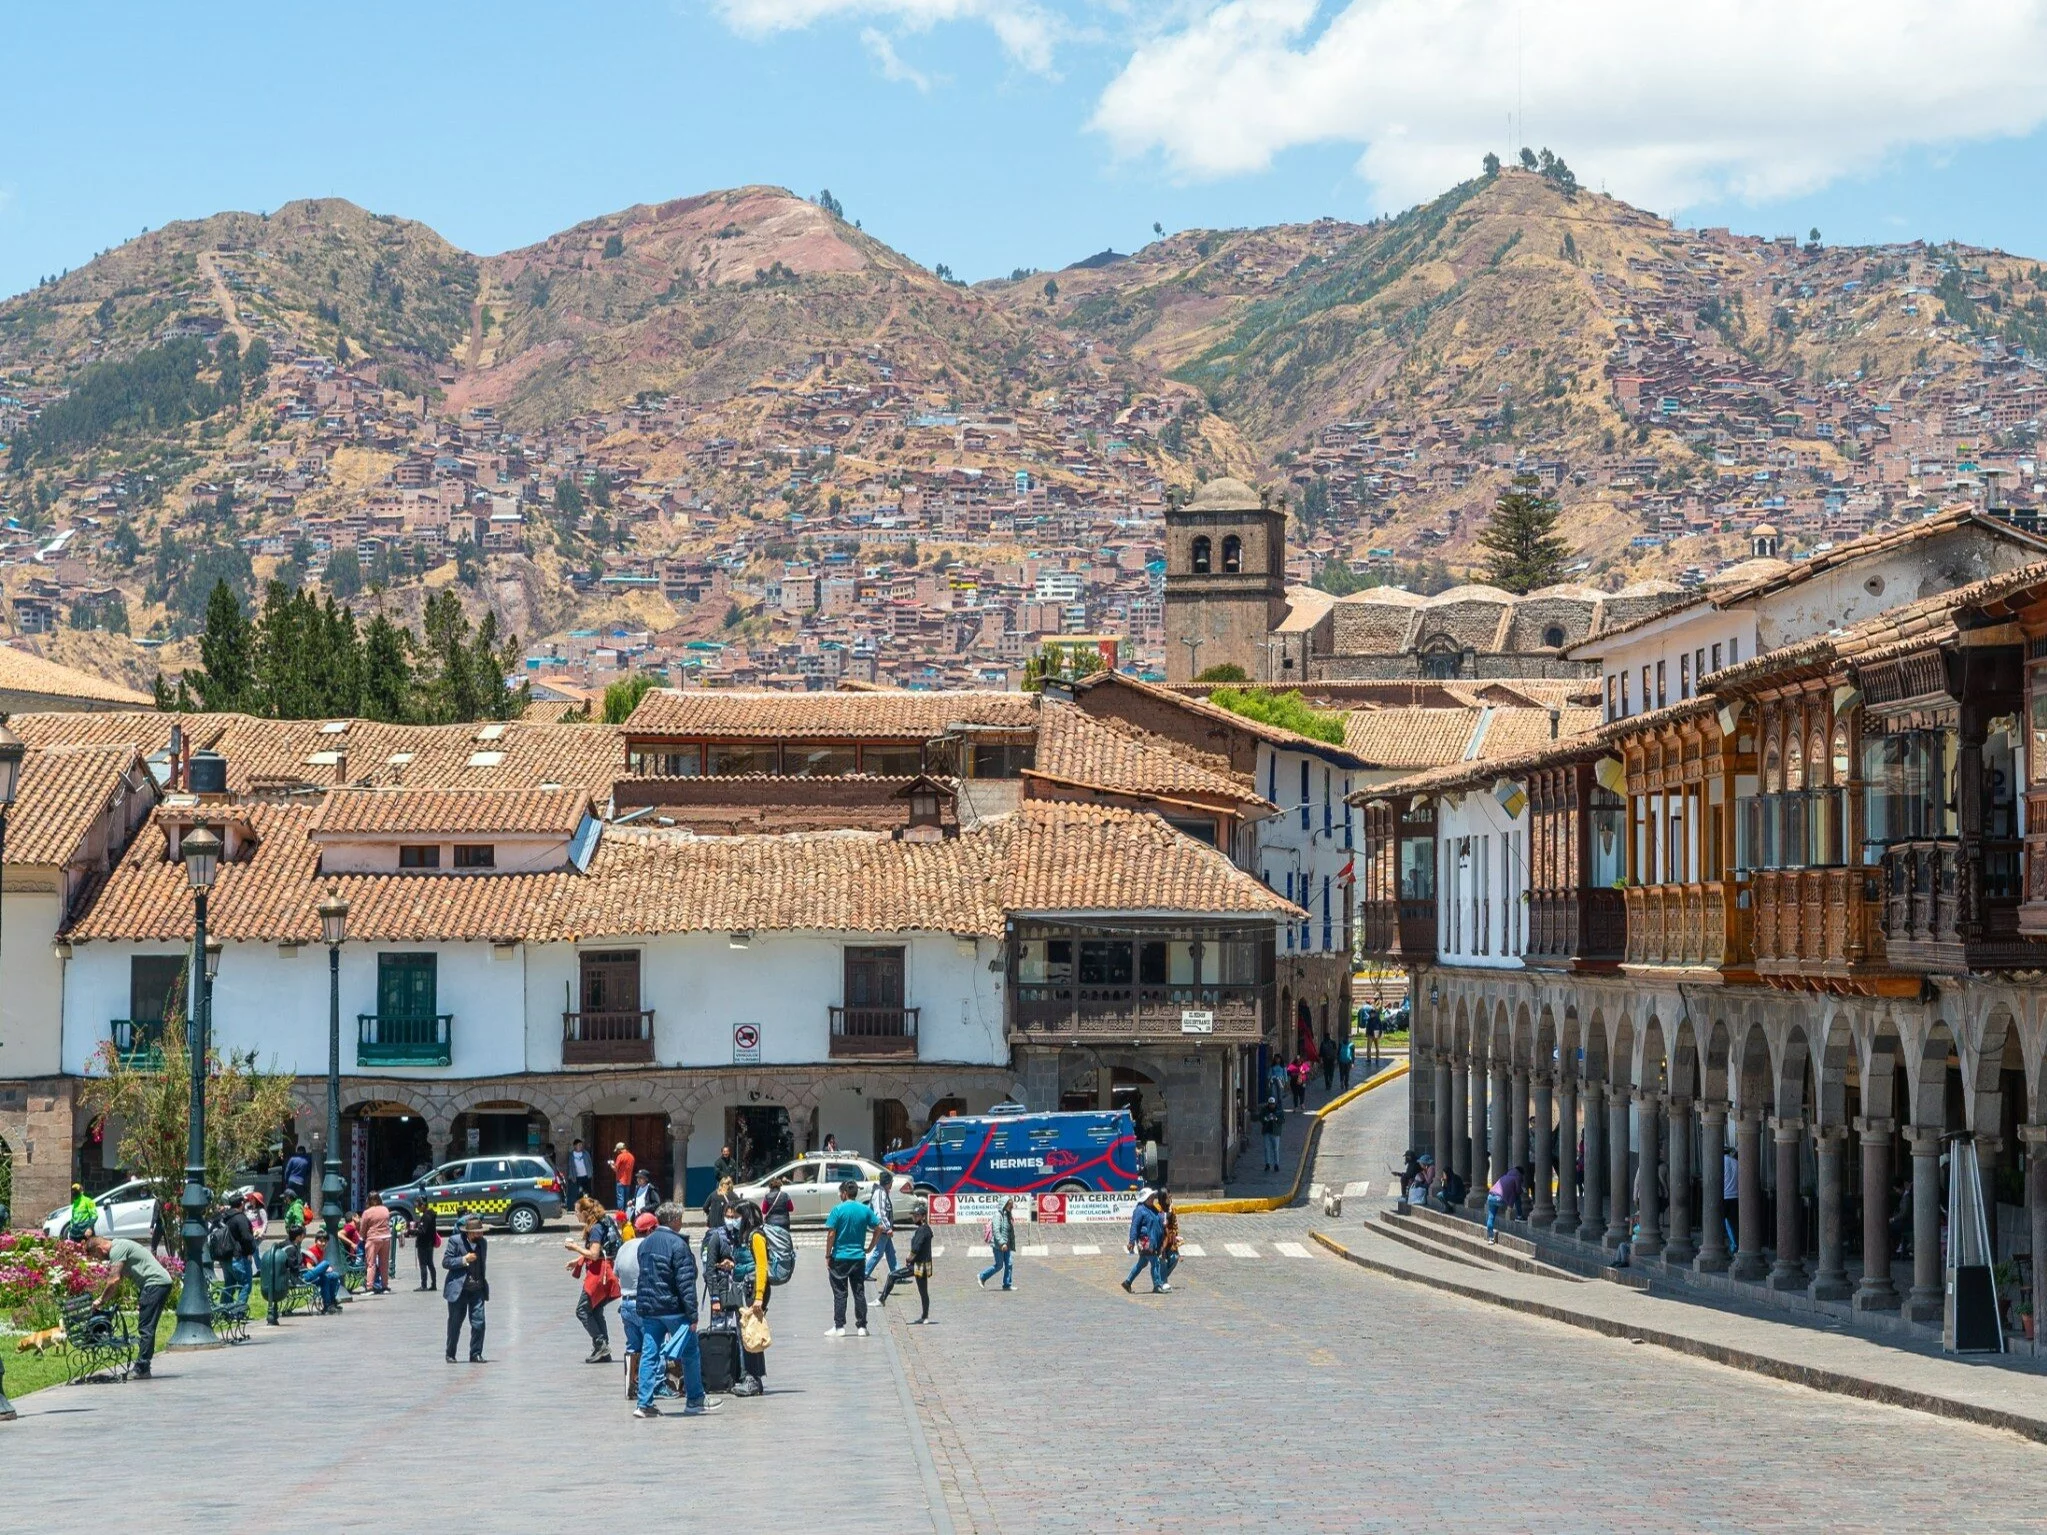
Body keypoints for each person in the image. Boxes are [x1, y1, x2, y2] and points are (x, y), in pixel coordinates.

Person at [633, 1203, 720, 1419]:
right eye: (680, 1218)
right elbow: (685, 1283)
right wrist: (692, 1315)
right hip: (673, 1308)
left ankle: (644, 1403)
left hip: (650, 1309)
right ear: (674, 1220)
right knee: (690, 1352)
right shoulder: (678, 1245)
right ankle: (695, 1399)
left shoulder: (645, 1243)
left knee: (649, 1355)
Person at [86, 1233, 174, 1379]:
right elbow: (116, 1282)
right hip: (156, 1284)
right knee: (146, 1327)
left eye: (97, 1256)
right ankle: (143, 1366)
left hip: (155, 1284)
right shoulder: (119, 1245)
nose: (99, 1260)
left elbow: (114, 1279)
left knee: (146, 1328)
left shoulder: (116, 1250)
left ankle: (142, 1368)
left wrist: (100, 1300)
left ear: (100, 1249)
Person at [565, 1195, 619, 1364]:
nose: (575, 1215)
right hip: (607, 1272)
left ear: (586, 1212)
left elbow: (595, 1254)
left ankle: (601, 1344)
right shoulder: (603, 1222)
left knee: (582, 1310)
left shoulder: (595, 1228)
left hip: (599, 1276)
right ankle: (602, 1350)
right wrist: (579, 1261)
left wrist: (574, 1247)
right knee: (595, 1310)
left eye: (577, 1212)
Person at [824, 1179, 877, 1335]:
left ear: (845, 1193)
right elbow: (879, 1227)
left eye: (841, 1193)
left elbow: (831, 1233)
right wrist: (870, 1247)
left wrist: (828, 1254)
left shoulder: (837, 1210)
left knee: (840, 1292)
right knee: (859, 1291)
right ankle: (862, 1326)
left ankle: (839, 1326)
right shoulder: (864, 1210)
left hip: (840, 1256)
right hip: (858, 1257)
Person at [730, 1200, 772, 1396]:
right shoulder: (747, 1237)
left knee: (750, 1333)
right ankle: (753, 1378)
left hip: (754, 1290)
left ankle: (753, 1379)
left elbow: (762, 1266)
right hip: (748, 1287)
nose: (734, 1220)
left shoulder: (756, 1236)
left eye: (737, 1216)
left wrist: (758, 1297)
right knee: (748, 1333)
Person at [615, 1211, 657, 1402]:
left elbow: (616, 1272)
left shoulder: (624, 1247)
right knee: (653, 1344)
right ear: (651, 1230)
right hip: (643, 1302)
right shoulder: (649, 1247)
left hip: (625, 1303)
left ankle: (630, 1386)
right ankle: (658, 1385)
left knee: (633, 1346)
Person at [442, 1213, 490, 1363]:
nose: (480, 1235)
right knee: (455, 1324)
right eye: (477, 1232)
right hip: (459, 1290)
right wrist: (464, 1260)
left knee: (479, 1322)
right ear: (468, 1233)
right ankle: (450, 1353)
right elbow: (446, 1262)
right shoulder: (455, 1241)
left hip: (477, 1289)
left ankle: (475, 1353)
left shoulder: (483, 1243)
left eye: (481, 1232)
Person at [878, 1201, 933, 1323]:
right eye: (914, 1215)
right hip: (925, 1265)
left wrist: (909, 1257)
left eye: (917, 1216)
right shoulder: (926, 1229)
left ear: (923, 1217)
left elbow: (916, 1248)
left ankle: (882, 1299)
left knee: (892, 1275)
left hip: (918, 1265)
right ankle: (925, 1317)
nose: (914, 1218)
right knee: (923, 1291)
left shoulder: (922, 1230)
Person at [217, 1192, 258, 1313]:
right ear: (241, 1204)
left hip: (225, 1257)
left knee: (229, 1285)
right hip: (238, 1256)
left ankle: (223, 1311)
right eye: (244, 1202)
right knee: (245, 1284)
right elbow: (246, 1237)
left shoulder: (225, 1217)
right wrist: (251, 1250)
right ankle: (238, 1312)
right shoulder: (240, 1218)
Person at [1122, 1190, 1168, 1294]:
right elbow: (1134, 1226)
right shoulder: (1139, 1210)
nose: (1153, 1199)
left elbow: (1159, 1220)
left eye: (1153, 1197)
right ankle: (1157, 1285)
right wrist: (1131, 1241)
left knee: (1142, 1263)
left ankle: (1128, 1282)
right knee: (1155, 1262)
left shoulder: (1153, 1209)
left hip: (1153, 1241)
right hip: (1145, 1241)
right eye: (1150, 1197)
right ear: (1145, 1199)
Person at [258, 1228, 302, 1327]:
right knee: (325, 1266)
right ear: (298, 1236)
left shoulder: (282, 1245)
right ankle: (271, 1314)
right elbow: (293, 1266)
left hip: (277, 1282)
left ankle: (272, 1314)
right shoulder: (291, 1248)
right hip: (293, 1279)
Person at [977, 1195, 1016, 1292]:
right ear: (1004, 1205)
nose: (1011, 1207)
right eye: (1009, 1205)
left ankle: (1007, 1284)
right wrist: (1002, 1243)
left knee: (1009, 1264)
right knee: (999, 1265)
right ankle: (982, 1276)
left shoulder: (1007, 1215)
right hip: (998, 1245)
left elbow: (1008, 1231)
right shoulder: (997, 1216)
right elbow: (996, 1231)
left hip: (1006, 1245)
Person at [864, 1170, 898, 1282]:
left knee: (890, 1251)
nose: (891, 1186)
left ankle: (896, 1274)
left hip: (883, 1228)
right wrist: (887, 1228)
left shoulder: (882, 1192)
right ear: (888, 1183)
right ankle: (864, 1273)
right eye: (891, 1183)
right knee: (878, 1253)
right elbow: (880, 1212)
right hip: (882, 1228)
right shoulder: (880, 1193)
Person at [301, 1229, 344, 1313]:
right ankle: (327, 1304)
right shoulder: (312, 1252)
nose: (323, 1243)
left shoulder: (322, 1251)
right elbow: (309, 1267)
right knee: (326, 1272)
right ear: (316, 1241)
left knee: (335, 1275)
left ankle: (332, 1301)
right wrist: (323, 1269)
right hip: (309, 1276)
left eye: (325, 1241)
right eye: (320, 1241)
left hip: (318, 1275)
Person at [359, 1197, 393, 1294]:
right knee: (384, 1263)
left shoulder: (367, 1212)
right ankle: (385, 1286)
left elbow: (363, 1227)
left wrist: (362, 1237)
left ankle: (370, 1287)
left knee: (371, 1264)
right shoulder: (385, 1209)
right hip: (386, 1237)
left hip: (373, 1238)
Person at [1485, 1164, 1525, 1244]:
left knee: (1491, 1217)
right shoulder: (1517, 1177)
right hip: (1499, 1199)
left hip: (1490, 1196)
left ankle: (1490, 1238)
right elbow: (1517, 1191)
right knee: (1517, 1197)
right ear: (1521, 1173)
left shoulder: (1504, 1176)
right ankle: (1519, 1216)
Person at [1156, 1191, 1182, 1289]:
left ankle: (1160, 1278)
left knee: (1174, 1257)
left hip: (1171, 1240)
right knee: (1162, 1260)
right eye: (1167, 1197)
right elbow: (1161, 1223)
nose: (1170, 1199)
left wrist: (1175, 1236)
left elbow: (1175, 1225)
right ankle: (1162, 1281)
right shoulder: (1157, 1210)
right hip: (1161, 1241)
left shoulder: (1172, 1209)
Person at [413, 1206, 441, 1291]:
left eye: (418, 1206)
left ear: (422, 1205)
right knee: (430, 1264)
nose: (417, 1208)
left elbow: (422, 1231)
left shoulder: (425, 1217)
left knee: (423, 1265)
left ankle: (424, 1285)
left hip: (423, 1244)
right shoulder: (431, 1215)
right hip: (430, 1243)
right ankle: (434, 1284)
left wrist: (413, 1231)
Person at [1259, 1095, 1286, 1173]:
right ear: (1268, 1104)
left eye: (1273, 1104)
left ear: (1275, 1104)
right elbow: (1260, 1118)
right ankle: (1267, 1164)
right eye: (1270, 1104)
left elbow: (1283, 1120)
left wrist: (1276, 1118)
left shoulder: (1279, 1110)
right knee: (1267, 1149)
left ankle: (1276, 1164)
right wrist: (1266, 1118)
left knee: (1275, 1149)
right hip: (1266, 1131)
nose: (1271, 1106)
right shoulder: (1264, 1110)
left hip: (1275, 1132)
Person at [282, 1144, 313, 1209]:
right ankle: (299, 1210)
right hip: (300, 1182)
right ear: (304, 1151)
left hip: (291, 1181)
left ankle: (289, 1211)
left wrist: (286, 1181)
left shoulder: (292, 1159)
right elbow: (309, 1170)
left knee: (289, 1197)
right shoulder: (307, 1160)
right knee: (299, 1198)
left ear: (297, 1151)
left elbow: (287, 1171)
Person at [609, 1142, 636, 1212]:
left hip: (620, 1180)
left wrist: (611, 1164)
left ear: (619, 1150)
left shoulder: (620, 1156)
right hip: (628, 1180)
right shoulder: (631, 1156)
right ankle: (626, 1212)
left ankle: (621, 1212)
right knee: (626, 1198)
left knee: (620, 1197)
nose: (617, 1152)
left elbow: (615, 1168)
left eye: (617, 1151)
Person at [568, 1139, 595, 1204]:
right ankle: (581, 1205)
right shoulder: (571, 1155)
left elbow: (590, 1163)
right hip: (578, 1177)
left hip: (586, 1176)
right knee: (579, 1192)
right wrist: (571, 1176)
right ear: (575, 1146)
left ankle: (588, 1205)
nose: (580, 1146)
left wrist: (591, 1172)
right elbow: (570, 1166)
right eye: (579, 1145)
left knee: (587, 1191)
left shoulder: (585, 1153)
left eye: (581, 1145)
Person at [1319, 1030, 1338, 1094]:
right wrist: (1335, 1059)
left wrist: (1321, 1060)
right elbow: (1335, 1052)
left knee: (1326, 1073)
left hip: (1325, 1060)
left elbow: (1320, 1053)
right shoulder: (1333, 1042)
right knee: (1331, 1072)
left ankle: (1327, 1084)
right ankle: (1330, 1082)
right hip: (1332, 1060)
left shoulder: (1322, 1043)